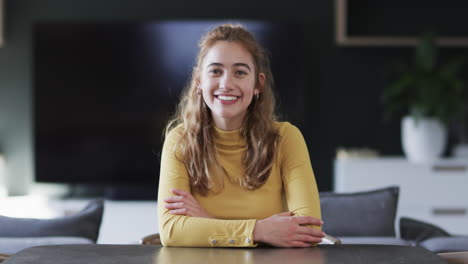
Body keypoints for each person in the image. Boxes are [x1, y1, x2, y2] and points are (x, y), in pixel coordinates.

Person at [158, 24, 324, 248]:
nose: (226, 84)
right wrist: (260, 230)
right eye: (216, 71)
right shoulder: (180, 141)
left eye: (240, 72)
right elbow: (171, 231)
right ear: (198, 80)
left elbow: (309, 230)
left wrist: (208, 222)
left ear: (258, 84)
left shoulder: (286, 138)